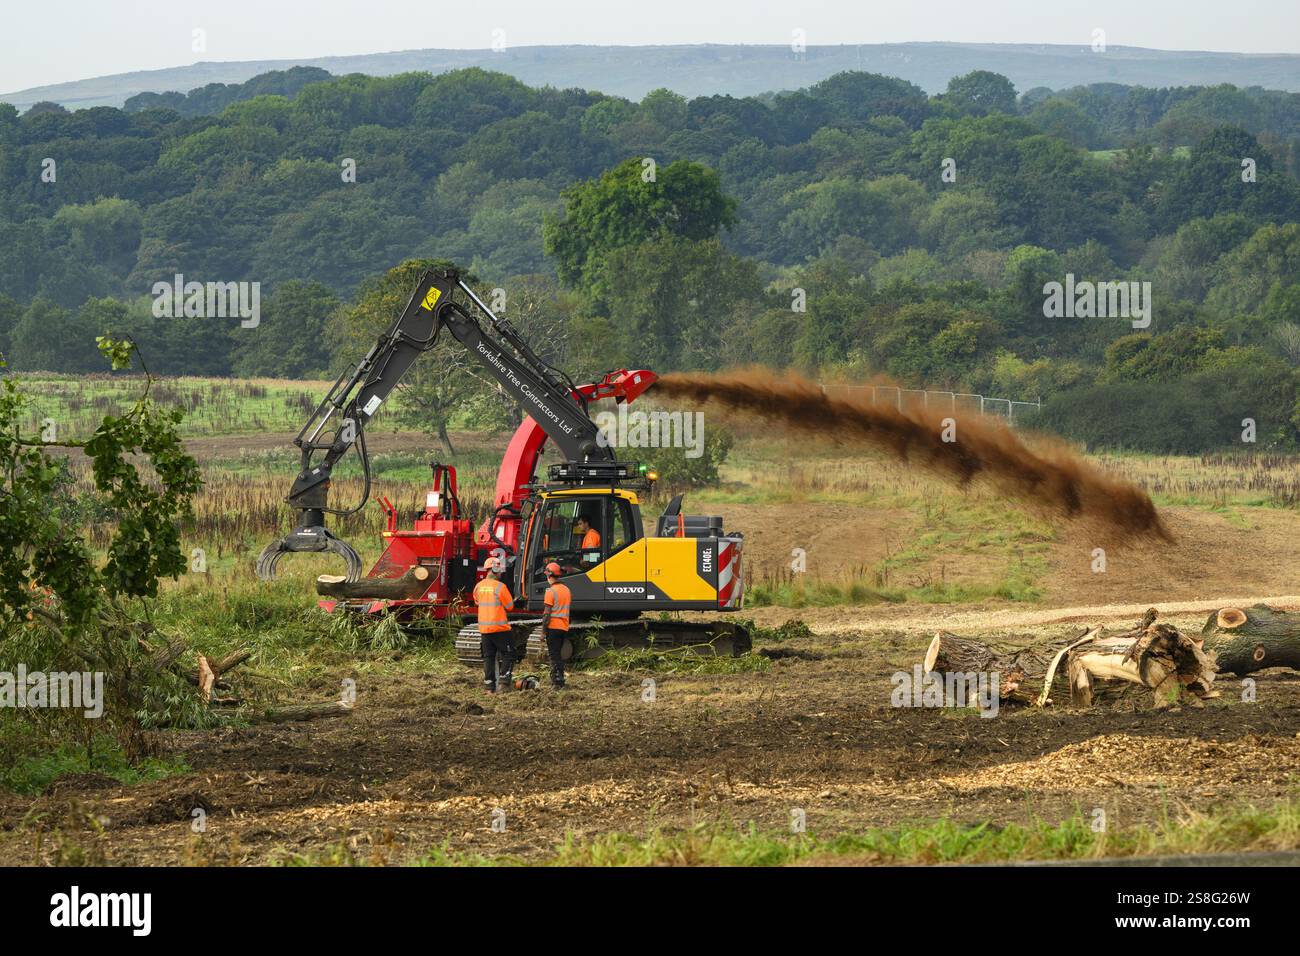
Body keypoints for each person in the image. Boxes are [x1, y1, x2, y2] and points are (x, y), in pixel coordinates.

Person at [474, 557, 515, 693]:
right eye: (500, 570)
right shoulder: (500, 587)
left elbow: (477, 602)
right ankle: (503, 683)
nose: (501, 573)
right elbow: (510, 606)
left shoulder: (478, 586)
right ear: (495, 569)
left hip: (485, 629)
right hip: (500, 628)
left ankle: (489, 688)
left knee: (488, 657)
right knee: (509, 654)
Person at [540, 561, 571, 689]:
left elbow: (547, 614)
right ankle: (559, 679)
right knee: (557, 653)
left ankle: (557, 681)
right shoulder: (566, 590)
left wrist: (543, 631)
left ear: (549, 576)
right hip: (563, 627)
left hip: (553, 627)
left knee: (554, 655)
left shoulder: (550, 591)